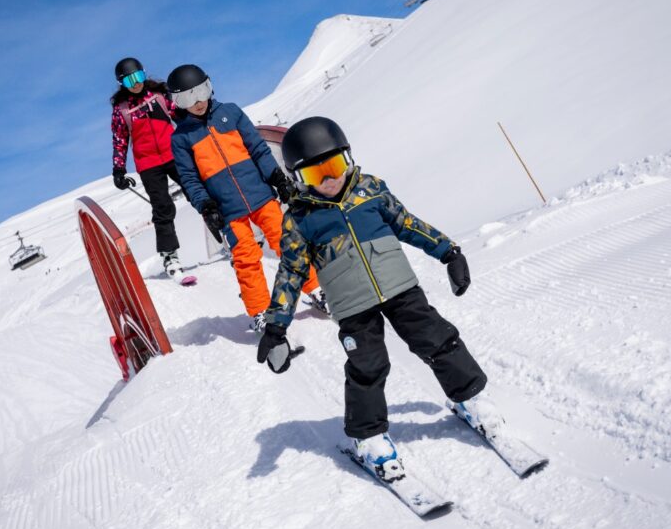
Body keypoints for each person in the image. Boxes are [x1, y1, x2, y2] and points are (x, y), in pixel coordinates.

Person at [256, 116, 488, 480]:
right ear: (299, 178)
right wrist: (276, 326)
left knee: (439, 340)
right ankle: (369, 438)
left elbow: (408, 224)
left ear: (347, 158)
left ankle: (469, 398)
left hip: (401, 289)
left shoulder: (371, 190)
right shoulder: (299, 219)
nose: (329, 180)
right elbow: (291, 273)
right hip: (352, 307)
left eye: (333, 167)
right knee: (367, 368)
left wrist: (449, 252)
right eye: (316, 175)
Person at [166, 64, 326, 331]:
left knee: (288, 242)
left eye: (201, 92)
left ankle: (315, 288)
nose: (197, 102)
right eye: (187, 98)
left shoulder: (231, 113)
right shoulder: (181, 138)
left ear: (209, 87)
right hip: (227, 210)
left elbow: (259, 150)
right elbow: (190, 179)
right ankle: (261, 312)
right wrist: (206, 206)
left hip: (261, 195)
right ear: (178, 102)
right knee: (246, 259)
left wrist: (277, 178)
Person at [111, 57, 187, 281]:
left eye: (139, 76)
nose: (136, 83)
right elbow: (119, 140)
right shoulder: (122, 110)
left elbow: (180, 117)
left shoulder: (159, 96)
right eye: (129, 80)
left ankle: (222, 231)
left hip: (174, 154)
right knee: (162, 206)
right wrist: (119, 169)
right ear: (121, 83)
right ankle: (170, 256)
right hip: (148, 164)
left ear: (145, 74)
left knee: (197, 191)